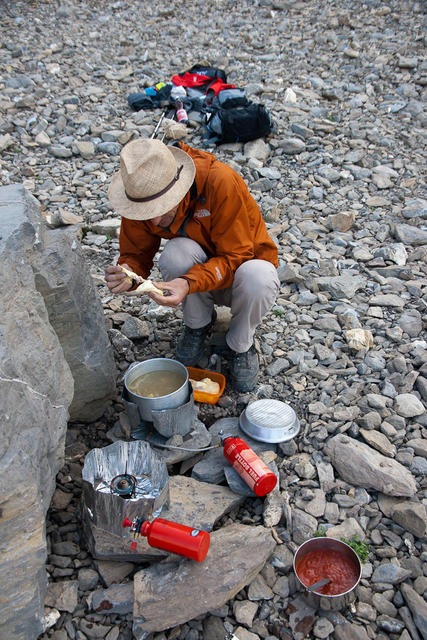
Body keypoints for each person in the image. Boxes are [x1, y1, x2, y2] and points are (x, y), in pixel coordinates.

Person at [105, 138, 279, 392]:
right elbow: (136, 254)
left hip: (241, 276)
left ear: (180, 187)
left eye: (161, 207)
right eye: (146, 212)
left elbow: (237, 256)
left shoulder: (220, 182)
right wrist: (128, 275)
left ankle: (241, 344)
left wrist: (187, 283)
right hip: (202, 277)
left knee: (259, 275)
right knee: (176, 253)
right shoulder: (139, 194)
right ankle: (197, 326)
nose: (153, 220)